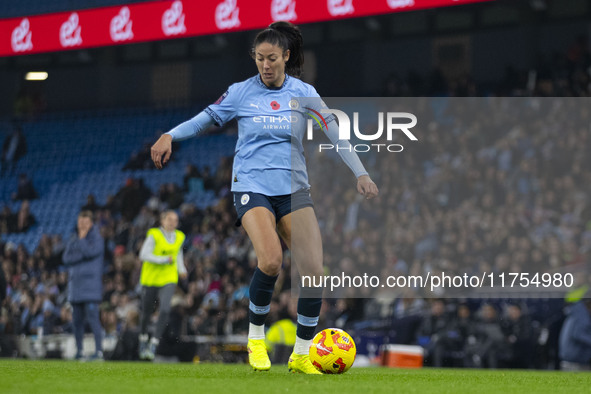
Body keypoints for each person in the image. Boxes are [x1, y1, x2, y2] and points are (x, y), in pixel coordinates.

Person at [150, 21, 378, 373]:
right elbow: (205, 119)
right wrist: (170, 134)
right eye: (259, 59)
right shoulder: (241, 92)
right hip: (251, 186)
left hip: (293, 189)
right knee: (270, 260)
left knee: (314, 271)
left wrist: (360, 172)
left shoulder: (304, 93)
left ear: (286, 56)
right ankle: (255, 339)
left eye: (272, 58)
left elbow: (334, 132)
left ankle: (302, 354)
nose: (265, 65)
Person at [138, 210, 187, 361]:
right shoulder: (154, 234)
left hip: (169, 278)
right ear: (162, 220)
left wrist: (182, 269)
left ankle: (154, 342)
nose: (173, 222)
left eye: (175, 220)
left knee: (165, 309)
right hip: (151, 278)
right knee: (146, 311)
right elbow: (143, 255)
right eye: (170, 219)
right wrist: (164, 259)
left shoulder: (180, 236)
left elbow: (178, 254)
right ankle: (143, 337)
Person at [62, 210, 104, 360]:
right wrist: (81, 250)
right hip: (75, 287)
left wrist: (82, 240)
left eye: (85, 223)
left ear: (91, 223)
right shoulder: (73, 238)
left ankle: (99, 351)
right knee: (76, 322)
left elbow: (89, 253)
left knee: (93, 320)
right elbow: (66, 258)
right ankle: (79, 351)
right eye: (80, 222)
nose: (82, 226)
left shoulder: (97, 239)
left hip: (90, 287)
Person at [559, 299, 591, 371]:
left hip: (568, 360)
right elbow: (578, 334)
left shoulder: (576, 312)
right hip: (576, 363)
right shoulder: (582, 315)